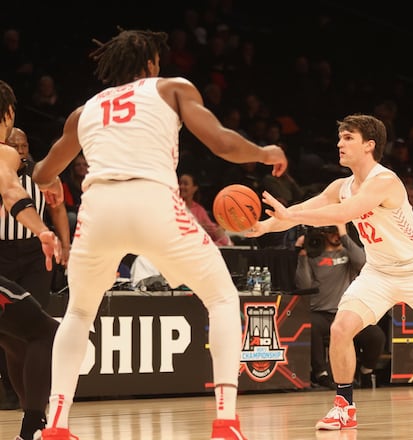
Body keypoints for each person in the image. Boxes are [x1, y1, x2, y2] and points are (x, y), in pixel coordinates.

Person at [30, 29, 288, 440]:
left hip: (98, 210)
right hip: (152, 201)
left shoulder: (85, 110)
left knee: (78, 312)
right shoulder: (171, 87)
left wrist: (45, 182)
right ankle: (225, 422)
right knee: (221, 297)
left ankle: (57, 426)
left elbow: (44, 171)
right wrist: (264, 152)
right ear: (151, 63)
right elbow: (222, 142)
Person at [246, 113, 413, 430]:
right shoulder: (342, 185)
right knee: (340, 329)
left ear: (369, 145)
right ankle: (343, 406)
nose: (339, 143)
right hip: (378, 271)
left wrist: (294, 214)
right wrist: (263, 225)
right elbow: (298, 211)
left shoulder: (385, 181)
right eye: (340, 137)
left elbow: (344, 212)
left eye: (348, 137)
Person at [0, 80, 63, 440]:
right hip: (9, 253)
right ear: (8, 113)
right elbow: (11, 191)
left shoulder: (30, 168)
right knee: (46, 331)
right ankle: (33, 427)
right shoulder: (3, 154)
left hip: (24, 260)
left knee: (12, 338)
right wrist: (42, 230)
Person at [293, 223, 385, 389]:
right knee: (310, 326)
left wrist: (344, 234)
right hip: (321, 313)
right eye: (333, 232)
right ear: (324, 233)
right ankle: (321, 374)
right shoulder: (314, 254)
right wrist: (302, 255)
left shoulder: (348, 253)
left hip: (347, 313)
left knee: (376, 335)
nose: (336, 236)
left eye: (339, 233)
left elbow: (363, 262)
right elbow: (304, 285)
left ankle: (366, 371)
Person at [178, 172, 231, 246]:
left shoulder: (199, 210)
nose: (181, 187)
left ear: (195, 188)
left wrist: (220, 230)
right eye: (180, 183)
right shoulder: (173, 205)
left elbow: (216, 234)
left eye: (185, 184)